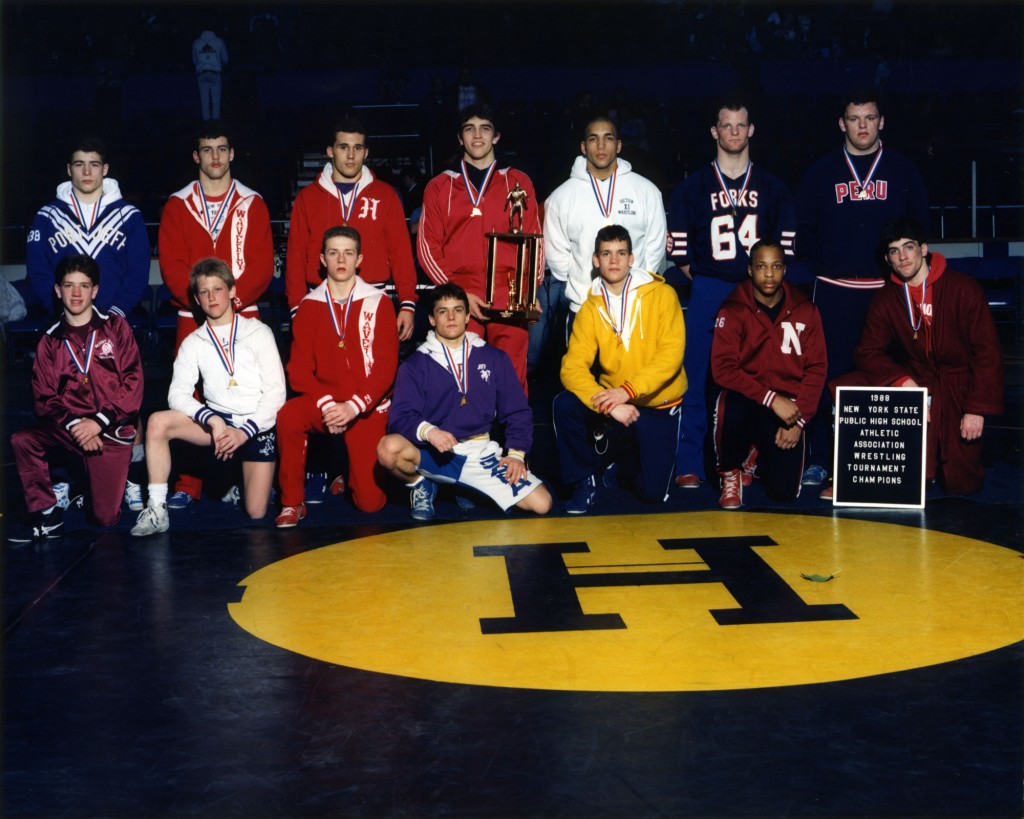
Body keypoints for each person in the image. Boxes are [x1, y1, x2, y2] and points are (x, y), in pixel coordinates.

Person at [796, 89, 929, 486]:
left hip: (886, 291)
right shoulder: (820, 173)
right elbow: (804, 234)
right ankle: (822, 457)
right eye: (854, 119)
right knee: (825, 374)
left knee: (890, 371)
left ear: (881, 121)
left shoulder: (904, 171)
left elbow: (918, 231)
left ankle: (896, 462)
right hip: (834, 290)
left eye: (869, 118)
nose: (862, 126)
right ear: (842, 123)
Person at [665, 98, 797, 489]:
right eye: (727, 126)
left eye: (741, 125)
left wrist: (759, 286)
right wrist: (712, 277)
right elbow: (680, 255)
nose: (734, 133)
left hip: (760, 293)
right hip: (709, 287)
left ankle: (748, 459)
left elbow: (785, 252)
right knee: (696, 376)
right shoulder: (692, 188)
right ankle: (689, 461)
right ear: (715, 131)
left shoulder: (773, 188)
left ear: (751, 130)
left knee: (761, 374)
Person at [158, 120, 274, 508]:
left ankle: (245, 474)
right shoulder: (178, 204)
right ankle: (189, 481)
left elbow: (260, 266)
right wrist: (204, 307)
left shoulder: (251, 201)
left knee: (249, 392)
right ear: (197, 156)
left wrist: (228, 308)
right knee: (190, 396)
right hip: (193, 315)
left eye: (222, 149)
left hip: (243, 313)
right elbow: (172, 268)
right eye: (207, 150)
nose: (215, 157)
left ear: (232, 153)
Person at [130, 258, 285, 536]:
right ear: (197, 300)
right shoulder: (194, 341)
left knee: (256, 511)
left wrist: (245, 432)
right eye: (204, 292)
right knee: (157, 422)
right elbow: (176, 394)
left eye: (217, 289)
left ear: (233, 291)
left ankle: (235, 484)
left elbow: (276, 394)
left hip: (256, 424)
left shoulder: (258, 332)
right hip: (219, 422)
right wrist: (211, 419)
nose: (212, 297)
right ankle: (156, 509)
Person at [849, 217, 1003, 496]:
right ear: (887, 259)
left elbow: (987, 353)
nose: (903, 257)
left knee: (962, 484)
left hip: (960, 384)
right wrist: (902, 380)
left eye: (908, 247)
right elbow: (868, 352)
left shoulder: (963, 288)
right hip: (918, 380)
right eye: (894, 251)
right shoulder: (886, 299)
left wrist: (976, 408)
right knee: (916, 479)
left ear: (924, 249)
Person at [377, 283, 552, 520]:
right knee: (388, 449)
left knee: (542, 504)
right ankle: (421, 484)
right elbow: (399, 417)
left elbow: (517, 410)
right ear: (431, 318)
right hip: (435, 453)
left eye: (458, 310)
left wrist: (516, 455)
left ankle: (468, 486)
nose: (451, 317)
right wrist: (430, 432)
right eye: (442, 311)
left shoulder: (493, 357)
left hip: (479, 453)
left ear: (468, 316)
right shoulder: (415, 365)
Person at [8, 255, 143, 542]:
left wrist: (98, 422)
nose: (76, 293)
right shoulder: (50, 340)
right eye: (69, 286)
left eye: (84, 286)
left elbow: (133, 387)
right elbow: (44, 398)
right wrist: (76, 425)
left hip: (110, 429)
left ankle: (93, 489)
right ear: (58, 290)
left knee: (105, 519)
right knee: (23, 439)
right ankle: (46, 513)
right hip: (70, 428)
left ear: (95, 290)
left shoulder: (117, 328)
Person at [553, 225, 685, 514]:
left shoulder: (662, 296)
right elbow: (572, 367)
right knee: (564, 404)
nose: (614, 261)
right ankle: (583, 481)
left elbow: (670, 357)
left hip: (656, 403)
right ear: (595, 260)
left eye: (621, 253)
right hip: (614, 403)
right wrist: (608, 404)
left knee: (652, 494)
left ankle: (622, 462)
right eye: (606, 254)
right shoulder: (590, 308)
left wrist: (626, 392)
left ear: (632, 259)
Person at [274, 226, 398, 527]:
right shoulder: (308, 306)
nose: (340, 259)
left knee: (369, 505)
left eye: (348, 253)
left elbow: (386, 367)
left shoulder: (378, 302)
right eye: (333, 253)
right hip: (326, 404)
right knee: (289, 415)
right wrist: (328, 404)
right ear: (322, 259)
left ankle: (348, 468)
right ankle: (292, 502)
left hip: (365, 407)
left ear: (359, 259)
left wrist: (353, 406)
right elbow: (298, 369)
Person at [417, 104, 542, 391]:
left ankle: (516, 437)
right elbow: (427, 247)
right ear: (460, 138)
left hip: (509, 289)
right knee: (460, 378)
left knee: (511, 379)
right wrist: (455, 292)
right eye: (469, 129)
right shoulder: (439, 187)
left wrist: (529, 290)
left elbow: (535, 239)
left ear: (496, 136)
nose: (477, 136)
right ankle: (462, 437)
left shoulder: (518, 182)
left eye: (485, 128)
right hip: (459, 290)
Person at [709, 240, 826, 509]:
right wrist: (772, 399)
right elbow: (723, 370)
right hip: (749, 400)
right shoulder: (733, 309)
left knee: (783, 492)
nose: (769, 274)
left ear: (785, 269)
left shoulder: (806, 310)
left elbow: (817, 369)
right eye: (761, 267)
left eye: (775, 267)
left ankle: (755, 455)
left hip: (789, 409)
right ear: (750, 270)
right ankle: (731, 472)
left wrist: (799, 422)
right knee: (728, 403)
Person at [285, 115, 418, 341]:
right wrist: (297, 308)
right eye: (343, 147)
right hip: (321, 299)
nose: (350, 155)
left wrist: (407, 303)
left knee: (374, 372)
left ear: (366, 152)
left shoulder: (385, 195)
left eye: (357, 148)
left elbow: (401, 252)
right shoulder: (308, 198)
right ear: (330, 151)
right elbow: (296, 257)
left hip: (373, 297)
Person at [543, 114, 667, 334]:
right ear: (583, 147)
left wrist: (633, 288)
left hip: (635, 308)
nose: (601, 145)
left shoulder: (647, 191)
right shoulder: (561, 197)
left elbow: (655, 249)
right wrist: (582, 282)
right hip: (584, 308)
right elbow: (557, 259)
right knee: (581, 369)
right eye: (593, 139)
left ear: (618, 145)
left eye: (608, 138)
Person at [25, 137, 151, 318]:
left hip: (115, 320)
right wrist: (61, 310)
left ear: (105, 169)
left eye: (94, 164)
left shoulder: (129, 215)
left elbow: (138, 272)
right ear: (69, 169)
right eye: (79, 164)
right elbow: (38, 271)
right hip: (65, 320)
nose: (86, 171)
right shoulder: (47, 216)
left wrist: (117, 314)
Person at [193, 29, 228, 120]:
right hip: (215, 73)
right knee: (216, 101)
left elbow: (194, 61)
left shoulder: (196, 43)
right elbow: (225, 59)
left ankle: (206, 126)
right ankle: (215, 125)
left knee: (204, 101)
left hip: (202, 73)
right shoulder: (219, 41)